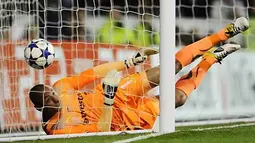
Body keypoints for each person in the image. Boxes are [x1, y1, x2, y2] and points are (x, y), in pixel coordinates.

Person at [29, 17, 249, 134]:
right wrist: (107, 100)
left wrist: (129, 62)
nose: (55, 96)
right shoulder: (57, 130)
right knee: (178, 99)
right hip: (120, 119)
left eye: (51, 92)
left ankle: (225, 32)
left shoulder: (61, 87)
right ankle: (211, 58)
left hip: (120, 92)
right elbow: (102, 131)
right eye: (49, 99)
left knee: (168, 68)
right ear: (42, 108)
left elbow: (94, 73)